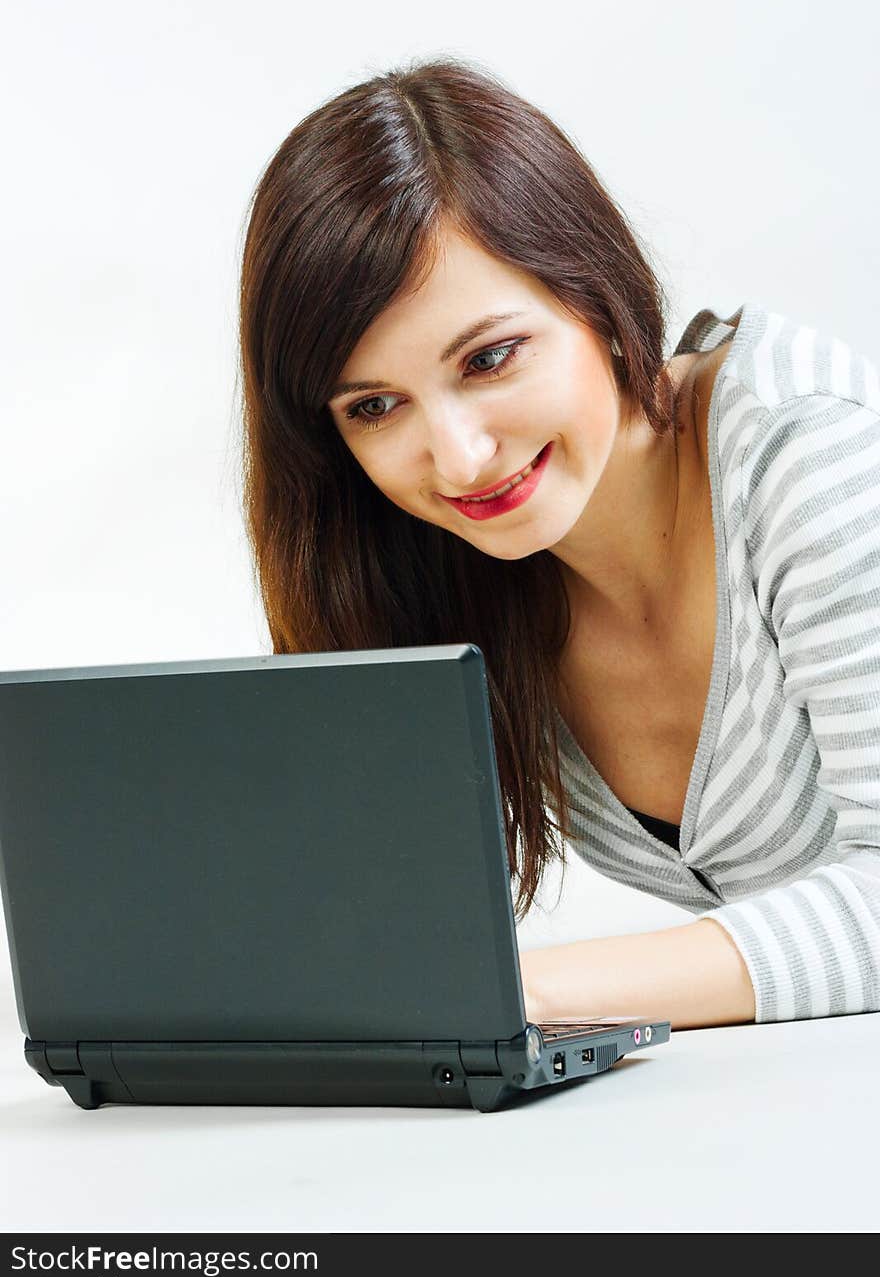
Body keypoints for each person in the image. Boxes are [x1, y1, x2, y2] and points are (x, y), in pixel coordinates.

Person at [236, 56, 880, 1031]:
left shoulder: (806, 447)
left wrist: (518, 993)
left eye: (489, 357)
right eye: (374, 405)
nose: (456, 456)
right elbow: (375, 937)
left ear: (590, 288)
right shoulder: (447, 572)